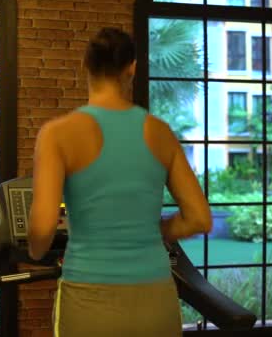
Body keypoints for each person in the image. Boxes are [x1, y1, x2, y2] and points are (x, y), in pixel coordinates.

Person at [27, 27, 212, 337]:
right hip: (155, 298)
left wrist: (34, 252)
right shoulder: (160, 133)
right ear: (132, 68)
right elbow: (199, 218)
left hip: (89, 298)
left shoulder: (56, 134)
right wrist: (161, 229)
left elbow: (43, 227)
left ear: (84, 65)